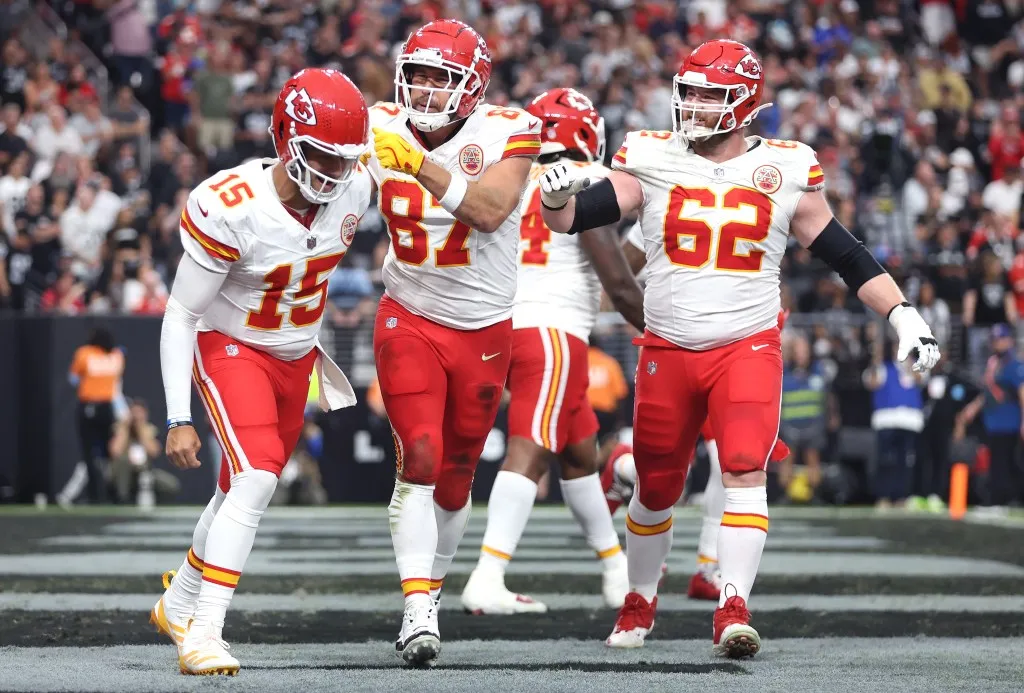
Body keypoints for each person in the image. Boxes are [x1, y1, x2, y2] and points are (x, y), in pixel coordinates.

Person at [539, 39, 940, 658]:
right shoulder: (651, 155)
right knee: (657, 484)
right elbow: (574, 220)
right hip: (667, 346)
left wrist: (903, 312)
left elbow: (847, 254)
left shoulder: (782, 168)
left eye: (708, 94)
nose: (693, 106)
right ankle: (640, 598)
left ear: (744, 105)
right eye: (689, 92)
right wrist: (558, 197)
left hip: (745, 345)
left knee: (745, 465)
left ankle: (732, 605)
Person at [151, 68, 372, 676]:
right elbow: (180, 315)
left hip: (296, 356)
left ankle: (180, 602)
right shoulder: (231, 204)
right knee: (258, 477)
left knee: (234, 490)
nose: (332, 173)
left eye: (343, 158)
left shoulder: (358, 185)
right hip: (232, 345)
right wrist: (177, 414)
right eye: (319, 156)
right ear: (284, 136)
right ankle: (205, 632)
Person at [362, 20, 540, 668]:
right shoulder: (377, 121)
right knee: (423, 455)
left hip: (485, 327)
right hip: (408, 314)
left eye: (442, 76)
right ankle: (417, 607)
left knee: (459, 477)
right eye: (420, 73)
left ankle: (431, 591)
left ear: (472, 85)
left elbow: (490, 208)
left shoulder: (509, 129)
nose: (427, 87)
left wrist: (421, 165)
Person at [460, 88, 644, 615]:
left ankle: (615, 567)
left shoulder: (510, 176)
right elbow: (618, 280)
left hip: (502, 327)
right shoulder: (583, 180)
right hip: (551, 329)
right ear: (587, 135)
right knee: (532, 446)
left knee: (579, 452)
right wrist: (663, 332)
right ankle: (488, 574)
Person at [62, 326, 124, 505]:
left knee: (89, 452)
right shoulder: (116, 356)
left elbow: (73, 378)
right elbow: (116, 383)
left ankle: (94, 495)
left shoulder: (85, 353)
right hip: (107, 408)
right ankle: (111, 492)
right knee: (107, 452)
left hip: (89, 406)